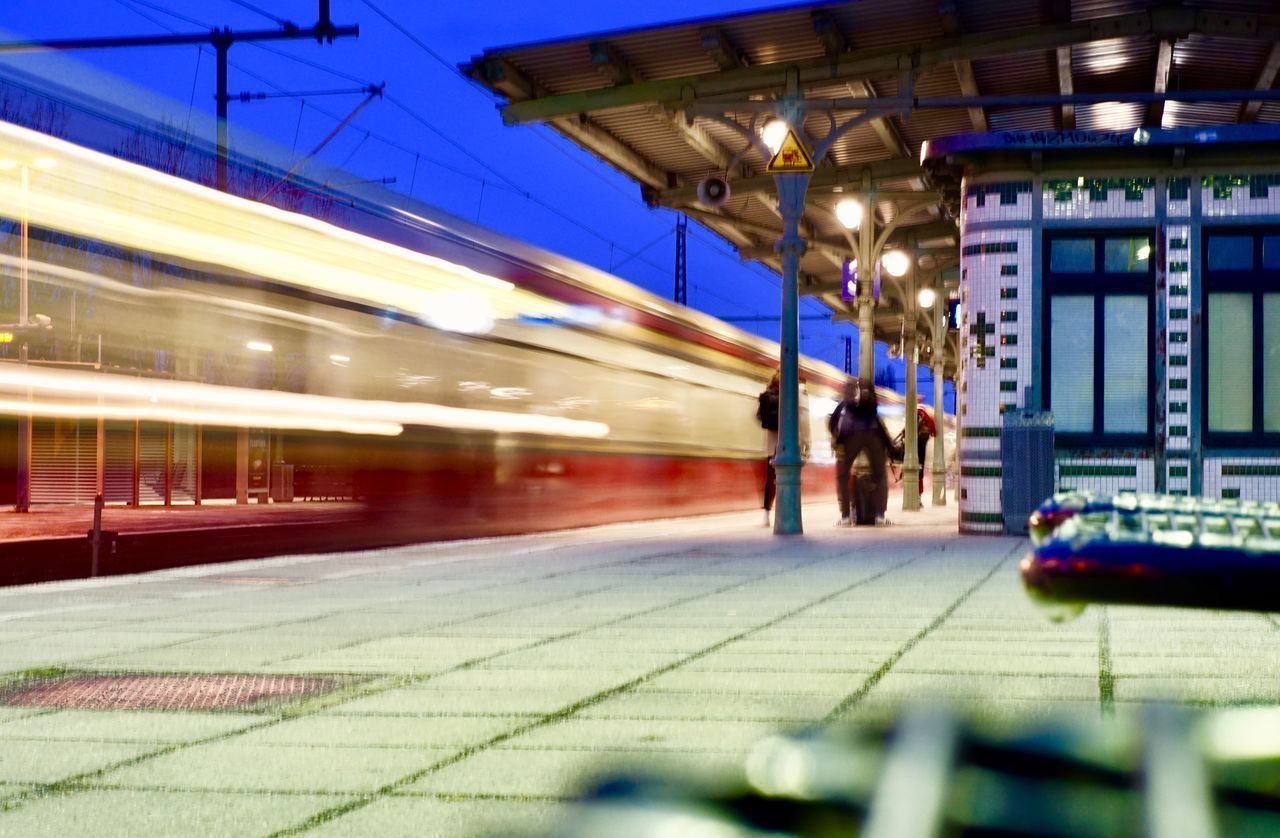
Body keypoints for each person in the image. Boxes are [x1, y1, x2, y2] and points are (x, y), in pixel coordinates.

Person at [829, 377, 888, 526]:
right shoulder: (871, 403)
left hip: (851, 438)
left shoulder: (845, 404)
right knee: (880, 475)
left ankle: (845, 517)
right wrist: (888, 444)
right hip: (872, 435)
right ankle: (880, 516)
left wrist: (837, 438)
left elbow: (832, 423)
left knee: (843, 476)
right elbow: (878, 422)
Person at [755, 372, 780, 527]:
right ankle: (783, 510)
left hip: (771, 439)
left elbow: (758, 416)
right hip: (785, 438)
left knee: (770, 478)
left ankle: (766, 513)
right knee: (786, 477)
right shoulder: (787, 395)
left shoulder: (765, 396)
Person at [915, 406, 937, 497]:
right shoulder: (925, 415)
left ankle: (917, 495)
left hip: (915, 446)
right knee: (920, 469)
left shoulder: (915, 413)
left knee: (917, 470)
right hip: (921, 446)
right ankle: (919, 495)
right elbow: (934, 432)